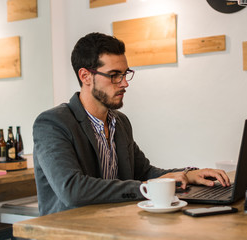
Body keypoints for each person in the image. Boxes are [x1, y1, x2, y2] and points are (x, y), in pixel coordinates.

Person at [33, 32, 230, 216]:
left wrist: (188, 174)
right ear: (85, 76)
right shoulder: (52, 123)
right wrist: (148, 187)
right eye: (114, 75)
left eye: (125, 74)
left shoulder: (119, 122)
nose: (124, 83)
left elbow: (144, 173)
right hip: (68, 231)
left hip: (113, 224)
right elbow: (73, 190)